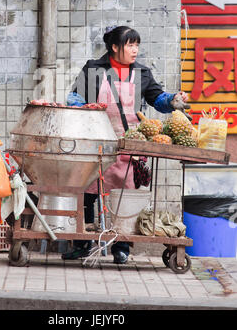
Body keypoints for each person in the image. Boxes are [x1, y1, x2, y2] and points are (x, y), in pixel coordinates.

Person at [62, 25, 189, 264]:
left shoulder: (142, 73)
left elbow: (157, 99)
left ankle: (121, 247)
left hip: (130, 144)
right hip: (96, 141)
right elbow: (75, 98)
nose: (135, 50)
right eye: (130, 45)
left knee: (124, 197)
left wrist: (173, 100)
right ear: (114, 47)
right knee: (87, 195)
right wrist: (80, 108)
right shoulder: (93, 70)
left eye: (136, 45)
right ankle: (82, 243)